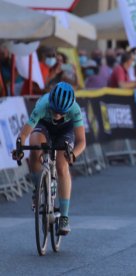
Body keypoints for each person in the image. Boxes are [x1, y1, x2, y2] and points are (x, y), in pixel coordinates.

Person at [12, 82, 86, 235]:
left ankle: (64, 217)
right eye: (54, 111)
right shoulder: (43, 105)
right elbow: (25, 133)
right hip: (43, 126)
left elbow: (82, 141)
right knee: (34, 145)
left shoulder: (75, 109)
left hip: (65, 131)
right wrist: (19, 147)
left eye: (61, 113)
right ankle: (37, 187)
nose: (57, 116)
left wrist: (73, 154)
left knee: (62, 165)